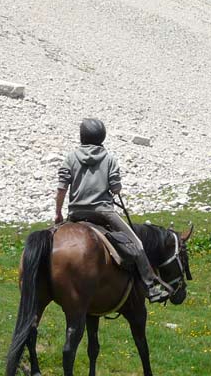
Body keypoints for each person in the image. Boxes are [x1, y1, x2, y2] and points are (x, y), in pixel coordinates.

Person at [55, 118, 170, 303]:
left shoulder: (71, 157)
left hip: (76, 213)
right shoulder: (109, 158)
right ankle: (150, 286)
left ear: (82, 136)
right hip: (103, 212)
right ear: (102, 136)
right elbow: (116, 188)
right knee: (137, 244)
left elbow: (61, 188)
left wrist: (58, 213)